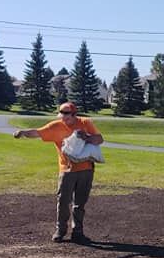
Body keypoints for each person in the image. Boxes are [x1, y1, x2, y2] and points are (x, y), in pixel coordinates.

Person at [13, 102, 104, 243]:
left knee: (80, 203)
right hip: (67, 170)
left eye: (67, 115)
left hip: (86, 169)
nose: (63, 118)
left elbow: (99, 139)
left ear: (74, 114)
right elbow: (37, 132)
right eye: (62, 115)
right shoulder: (55, 126)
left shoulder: (85, 123)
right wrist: (23, 132)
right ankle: (60, 230)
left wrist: (86, 137)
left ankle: (77, 232)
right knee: (63, 201)